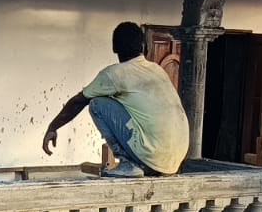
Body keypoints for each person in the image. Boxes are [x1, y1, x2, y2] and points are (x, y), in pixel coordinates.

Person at [41, 22, 190, 178]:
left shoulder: (114, 74)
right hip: (174, 162)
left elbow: (78, 101)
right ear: (143, 46)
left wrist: (53, 127)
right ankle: (142, 162)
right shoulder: (157, 70)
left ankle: (127, 163)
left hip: (149, 158)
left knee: (97, 104)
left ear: (115, 48)